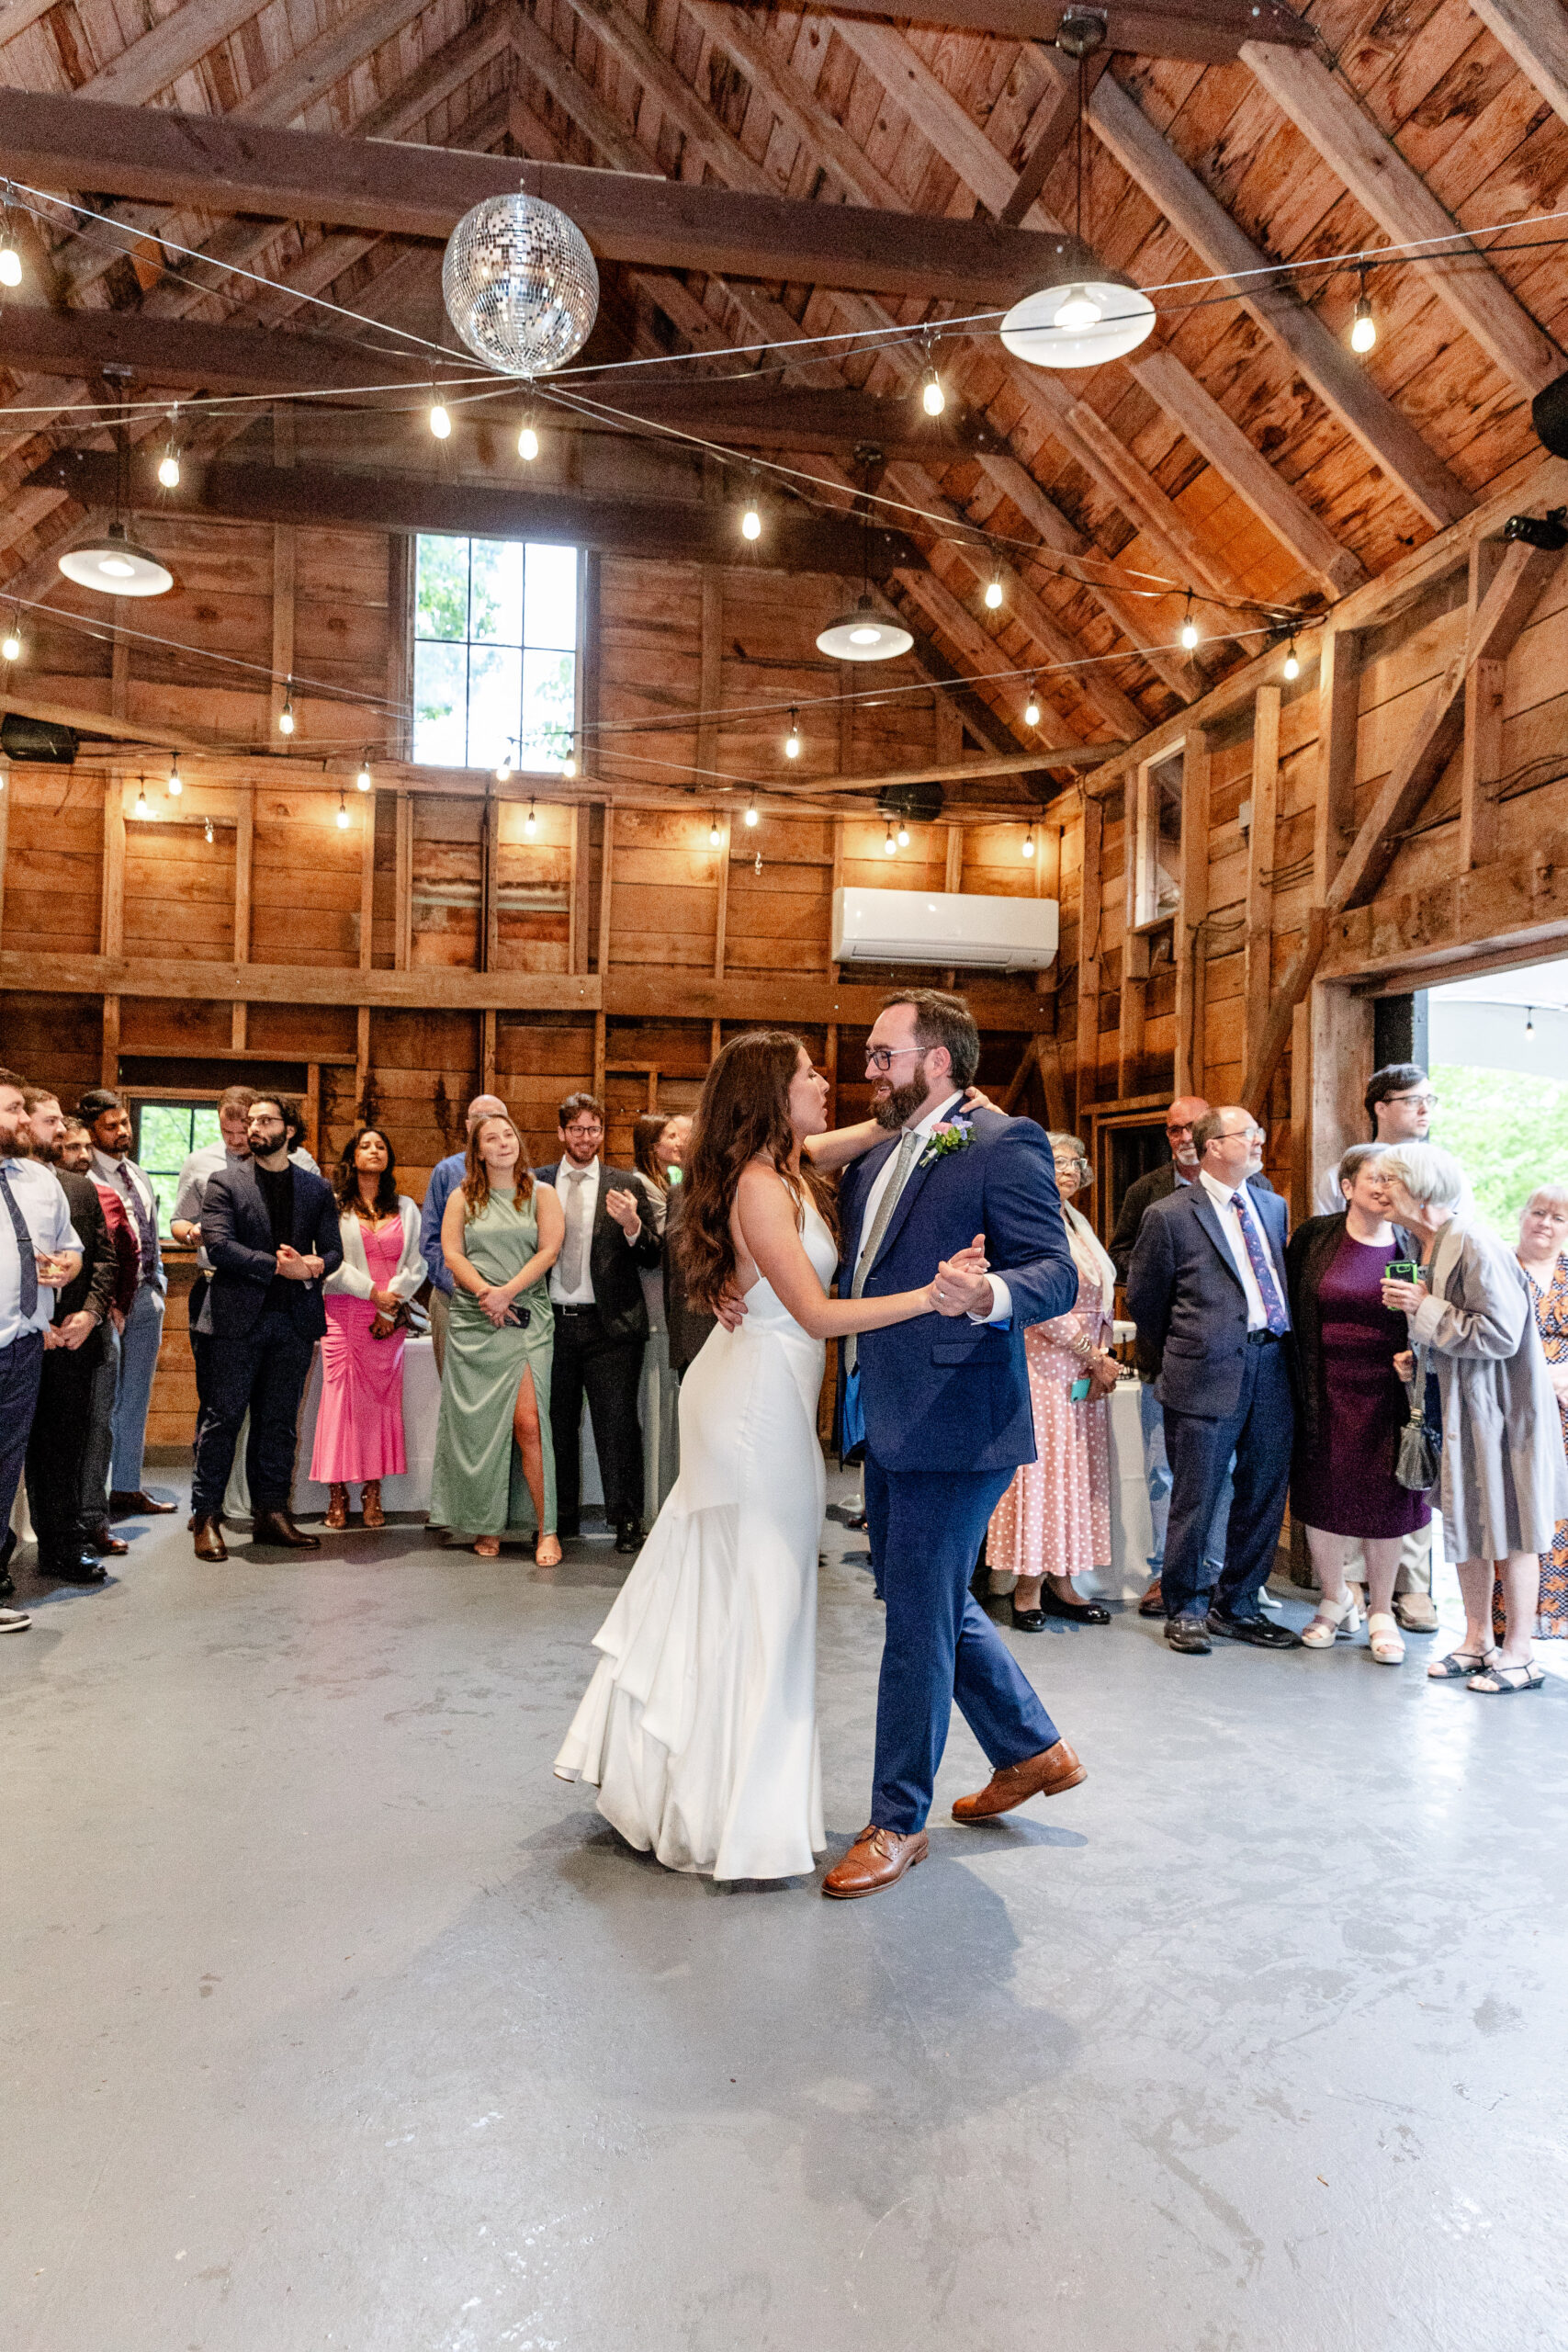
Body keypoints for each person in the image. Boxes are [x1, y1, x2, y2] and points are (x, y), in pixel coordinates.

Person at [554, 1029, 976, 1883]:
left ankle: (699, 1780)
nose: (825, 1083)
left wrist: (932, 1111)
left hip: (765, 1392)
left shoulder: (783, 1163)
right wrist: (930, 1296)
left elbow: (847, 1138)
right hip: (752, 1408)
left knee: (752, 1591)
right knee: (760, 1595)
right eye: (809, 1075)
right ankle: (731, 1809)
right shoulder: (757, 1185)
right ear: (771, 1096)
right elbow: (816, 1316)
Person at [820, 989, 1084, 1898]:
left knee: (916, 1616)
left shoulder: (1002, 1141)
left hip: (962, 1417)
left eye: (882, 1053)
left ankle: (898, 1819)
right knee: (915, 1590)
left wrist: (991, 1297)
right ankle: (1031, 1746)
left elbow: (1053, 1270)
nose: (869, 1069)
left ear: (937, 1060)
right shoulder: (878, 1152)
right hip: (887, 1409)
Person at [1380, 1143, 1568, 1694]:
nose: (1382, 1190)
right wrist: (1420, 1354)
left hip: (1503, 1415)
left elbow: (1501, 1334)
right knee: (1467, 1519)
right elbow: (1453, 1330)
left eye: (1391, 1180)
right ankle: (1476, 1640)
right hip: (1457, 1407)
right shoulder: (1425, 1242)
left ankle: (1520, 1655)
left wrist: (1424, 1308)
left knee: (1513, 1528)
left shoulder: (1478, 1243)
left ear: (1419, 1187)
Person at [1126, 1105, 1299, 1657]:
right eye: (1247, 1133)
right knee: (1196, 1494)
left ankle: (1239, 1603)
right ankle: (1186, 1605)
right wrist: (1184, 1353)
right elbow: (1146, 1303)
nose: (1257, 1140)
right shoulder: (1170, 1214)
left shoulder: (1272, 1206)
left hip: (1272, 1363)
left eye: (1257, 1130)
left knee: (1264, 1488)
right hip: (1203, 1370)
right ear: (1212, 1147)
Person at [1286, 1145, 1429, 1663]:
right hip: (1321, 1387)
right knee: (1322, 1493)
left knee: (1386, 1501)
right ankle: (1334, 1599)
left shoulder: (1413, 1242)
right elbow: (1289, 1307)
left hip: (1390, 1390)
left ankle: (1382, 1610)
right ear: (1347, 1186)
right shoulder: (1314, 1238)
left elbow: (1429, 1319)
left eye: (1392, 1179)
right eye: (1373, 1177)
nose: (1382, 1186)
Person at [189, 1096, 342, 1561]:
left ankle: (272, 1515)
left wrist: (315, 1266)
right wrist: (282, 1268)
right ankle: (207, 1516)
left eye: (265, 1120)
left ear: (289, 1130)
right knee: (223, 1420)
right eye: (251, 1120)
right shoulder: (224, 1182)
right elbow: (218, 1245)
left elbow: (333, 1252)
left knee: (278, 1425)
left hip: (293, 1322)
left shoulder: (316, 1189)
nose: (254, 1127)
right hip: (237, 1320)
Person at [985, 1132, 1116, 1630]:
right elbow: (1038, 1302)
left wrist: (1098, 1357)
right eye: (1057, 1159)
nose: (1069, 1167)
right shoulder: (1032, 1220)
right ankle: (1027, 1590)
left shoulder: (1076, 1221)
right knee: (1042, 1473)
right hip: (1044, 1364)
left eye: (1075, 1160)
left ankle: (1064, 1582)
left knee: (1075, 1476)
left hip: (1082, 1371)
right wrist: (1090, 1353)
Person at [429, 1111, 564, 1565]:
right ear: (478, 1150)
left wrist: (507, 1292)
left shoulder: (541, 1193)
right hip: (476, 1318)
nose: (503, 1142)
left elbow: (549, 1250)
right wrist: (487, 1293)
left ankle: (547, 1530)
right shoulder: (462, 1196)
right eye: (492, 1137)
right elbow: (451, 1252)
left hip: (526, 1318)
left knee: (528, 1423)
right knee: (480, 1427)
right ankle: (487, 1524)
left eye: (509, 1134)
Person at [540, 1093, 660, 1556]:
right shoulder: (539, 1185)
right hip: (552, 1325)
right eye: (576, 1129)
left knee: (617, 1428)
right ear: (561, 1133)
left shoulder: (625, 1183)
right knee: (557, 1426)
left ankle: (627, 1521)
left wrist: (632, 1225)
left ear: (602, 1134)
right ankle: (561, 1519)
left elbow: (652, 1254)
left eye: (593, 1129)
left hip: (610, 1328)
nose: (585, 1138)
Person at [20, 1090, 117, 1585]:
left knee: (63, 1451)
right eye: (50, 1121)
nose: (61, 1130)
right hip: (18, 1341)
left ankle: (61, 1548)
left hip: (73, 1343)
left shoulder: (79, 1189)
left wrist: (90, 1314)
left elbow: (103, 1259)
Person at [0, 1066, 83, 1633]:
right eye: (12, 1109)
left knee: (4, 1474)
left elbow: (70, 1249)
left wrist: (65, 1266)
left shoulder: (38, 1180)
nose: (26, 1119)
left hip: (23, 1348)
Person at [313, 1128, 424, 1531]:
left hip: (388, 1319)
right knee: (340, 1404)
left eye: (381, 1146)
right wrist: (370, 1293)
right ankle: (337, 1492)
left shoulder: (407, 1208)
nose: (374, 1151)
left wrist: (389, 1306)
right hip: (344, 1312)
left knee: (380, 1405)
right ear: (352, 1157)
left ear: (389, 1158)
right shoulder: (334, 1206)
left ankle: (373, 1491)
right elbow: (327, 1260)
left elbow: (418, 1264)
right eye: (365, 1146)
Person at [78, 1087, 172, 1519]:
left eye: (125, 1123)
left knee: (136, 1396)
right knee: (104, 1400)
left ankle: (128, 1487)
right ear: (91, 1129)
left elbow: (148, 1230)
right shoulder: (84, 1177)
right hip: (107, 1305)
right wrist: (109, 1301)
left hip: (146, 1295)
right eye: (110, 1126)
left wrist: (159, 1284)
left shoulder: (138, 1173)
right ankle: (93, 1496)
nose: (122, 1131)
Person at [59, 1120, 138, 1560]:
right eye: (72, 1147)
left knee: (97, 1424)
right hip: (46, 1326)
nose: (83, 1154)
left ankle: (92, 1519)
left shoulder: (103, 1195)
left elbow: (123, 1255)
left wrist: (115, 1306)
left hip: (97, 1322)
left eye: (87, 1146)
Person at [1503, 1185, 1568, 1642]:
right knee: (1518, 1516)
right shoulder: (1501, 1269)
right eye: (1538, 1213)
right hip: (1515, 1412)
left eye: (1558, 1218)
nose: (1545, 1223)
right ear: (1523, 1216)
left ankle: (1557, 1619)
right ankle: (1509, 1627)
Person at [419, 1094, 508, 1376]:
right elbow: (431, 1241)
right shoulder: (446, 1172)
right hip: (453, 1298)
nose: (489, 1125)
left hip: (506, 1300)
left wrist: (505, 1290)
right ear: (469, 1126)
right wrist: (462, 1286)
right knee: (456, 1390)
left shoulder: (524, 1178)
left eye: (497, 1118)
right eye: (481, 1119)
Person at [630, 1110, 688, 1520]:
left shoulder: (673, 1178)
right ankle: (655, 1507)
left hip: (675, 1303)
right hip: (653, 1304)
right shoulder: (640, 1185)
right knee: (657, 1406)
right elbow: (672, 1233)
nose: (678, 1142)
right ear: (652, 1145)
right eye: (669, 1136)